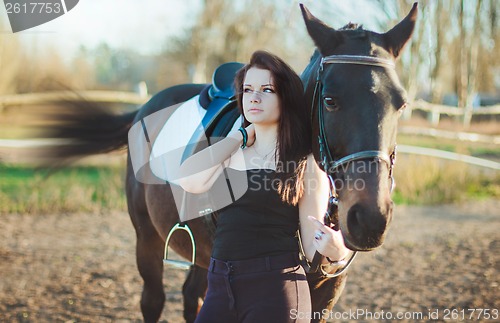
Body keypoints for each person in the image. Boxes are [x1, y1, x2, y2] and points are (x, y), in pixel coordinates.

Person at [178, 50, 350, 323]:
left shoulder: (305, 163)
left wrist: (338, 251)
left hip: (275, 291)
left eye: (267, 89)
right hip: (220, 285)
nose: (254, 97)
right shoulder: (231, 152)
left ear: (286, 98)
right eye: (248, 89)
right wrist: (240, 135)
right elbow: (188, 180)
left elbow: (312, 241)